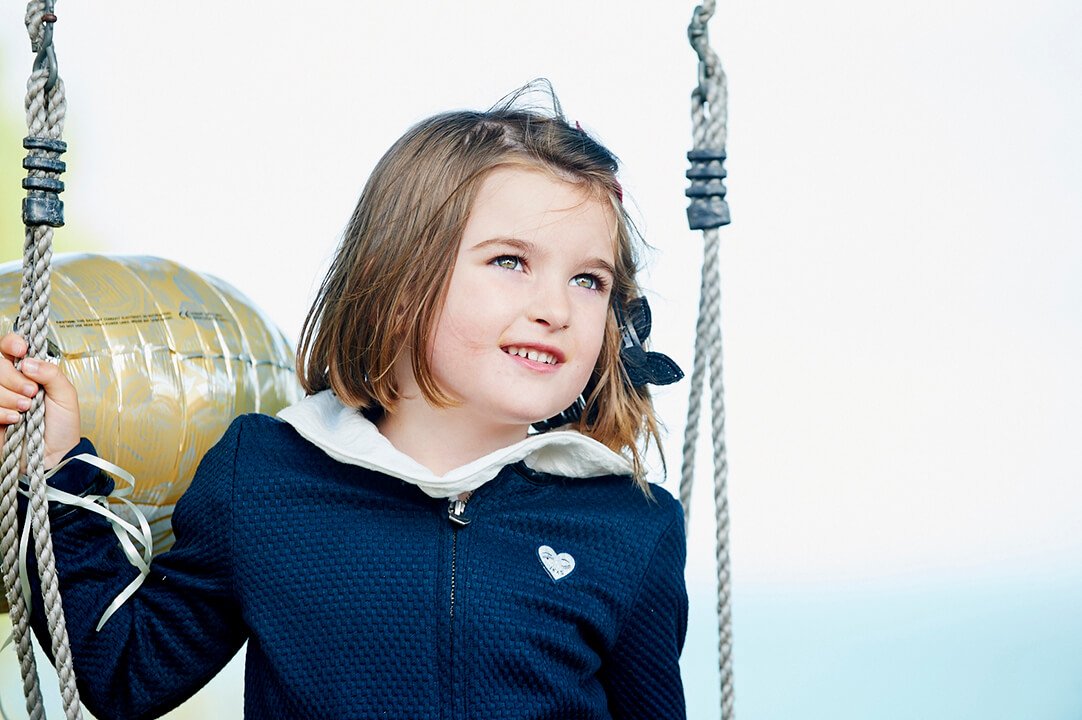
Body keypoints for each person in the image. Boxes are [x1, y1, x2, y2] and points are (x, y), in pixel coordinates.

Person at [0, 88, 688, 719]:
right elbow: (124, 672)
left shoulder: (630, 525)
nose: (556, 308)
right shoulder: (264, 476)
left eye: (589, 279)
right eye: (510, 262)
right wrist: (56, 468)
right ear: (397, 284)